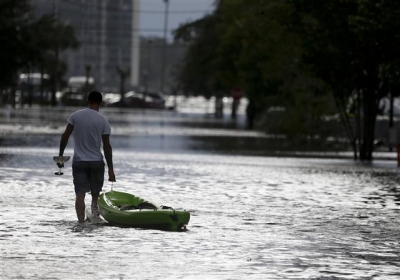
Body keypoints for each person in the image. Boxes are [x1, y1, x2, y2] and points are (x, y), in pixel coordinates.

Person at [57, 91, 116, 223]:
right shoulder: (103, 121)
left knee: (80, 195)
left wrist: (60, 156)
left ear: (87, 101)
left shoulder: (75, 116)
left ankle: (80, 223)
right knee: (95, 196)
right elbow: (107, 146)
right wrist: (111, 170)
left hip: (79, 162)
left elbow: (65, 136)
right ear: (100, 103)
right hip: (96, 163)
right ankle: (94, 220)